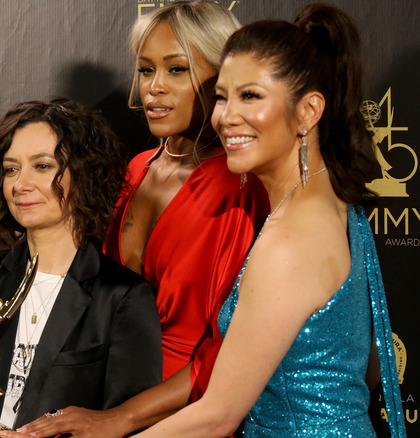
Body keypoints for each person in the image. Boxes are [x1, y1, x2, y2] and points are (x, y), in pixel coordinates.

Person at [133, 4, 406, 436]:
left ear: (308, 111)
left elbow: (216, 416)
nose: (226, 117)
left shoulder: (292, 239)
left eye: (251, 96)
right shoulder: (331, 201)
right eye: (222, 96)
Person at [12, 2, 268, 437]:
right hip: (102, 395)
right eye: (146, 71)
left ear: (222, 77)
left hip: (185, 410)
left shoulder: (241, 189)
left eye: (177, 70)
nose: (154, 88)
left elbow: (234, 347)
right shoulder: (135, 169)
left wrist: (122, 418)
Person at [0, 99, 164, 430]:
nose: (21, 185)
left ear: (84, 174)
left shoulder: (122, 297)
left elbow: (130, 427)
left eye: (42, 166)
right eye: (11, 169)